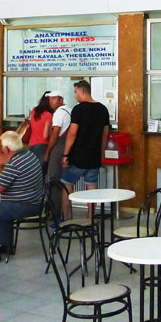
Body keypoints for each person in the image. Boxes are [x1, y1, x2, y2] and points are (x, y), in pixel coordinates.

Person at [0, 131, 44, 261]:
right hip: (34, 202)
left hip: (23, 205)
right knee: (3, 208)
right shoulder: (27, 154)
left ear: (6, 149)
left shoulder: (14, 164)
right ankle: (6, 246)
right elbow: (5, 158)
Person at [60, 80, 110, 219]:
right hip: (94, 157)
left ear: (81, 91)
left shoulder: (78, 109)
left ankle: (66, 217)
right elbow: (105, 135)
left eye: (75, 92)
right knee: (91, 188)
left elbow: (72, 133)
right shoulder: (103, 109)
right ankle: (90, 219)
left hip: (77, 156)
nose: (75, 95)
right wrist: (101, 155)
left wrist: (65, 154)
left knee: (67, 185)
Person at [43, 90, 72, 219]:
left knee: (54, 181)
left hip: (59, 149)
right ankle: (65, 214)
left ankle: (56, 214)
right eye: (50, 99)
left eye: (54, 99)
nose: (51, 102)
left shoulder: (59, 114)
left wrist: (48, 151)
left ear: (61, 100)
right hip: (68, 149)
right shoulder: (70, 110)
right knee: (65, 182)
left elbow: (55, 134)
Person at [26, 91, 54, 165]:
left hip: (31, 144)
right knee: (41, 171)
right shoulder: (48, 115)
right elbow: (45, 135)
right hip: (42, 146)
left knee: (32, 169)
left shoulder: (34, 111)